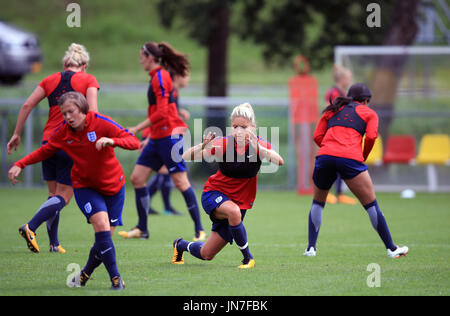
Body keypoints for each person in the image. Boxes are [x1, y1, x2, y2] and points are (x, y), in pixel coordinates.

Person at [8, 92, 140, 290]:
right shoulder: (63, 132)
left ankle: (84, 274)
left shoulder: (101, 122)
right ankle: (116, 278)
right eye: (64, 113)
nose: (68, 116)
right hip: (84, 186)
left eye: (71, 111)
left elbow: (134, 142)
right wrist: (21, 163)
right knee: (101, 226)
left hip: (114, 187)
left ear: (82, 109)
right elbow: (45, 150)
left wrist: (113, 141)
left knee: (103, 241)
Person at [7, 43, 99, 254]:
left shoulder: (49, 79)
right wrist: (94, 142)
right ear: (84, 65)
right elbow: (93, 113)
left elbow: (26, 105)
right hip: (71, 143)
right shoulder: (88, 79)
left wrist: (16, 133)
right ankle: (31, 226)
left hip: (49, 141)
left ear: (65, 64)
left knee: (53, 195)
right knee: (64, 197)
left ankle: (54, 244)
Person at [171, 103, 284, 269]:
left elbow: (279, 161)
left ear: (252, 127)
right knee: (233, 211)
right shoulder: (224, 143)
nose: (238, 130)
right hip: (214, 193)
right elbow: (186, 156)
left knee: (206, 254)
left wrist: (257, 148)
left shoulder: (260, 145)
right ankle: (248, 259)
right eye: (235, 126)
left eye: (243, 127)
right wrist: (203, 145)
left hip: (239, 201)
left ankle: (180, 245)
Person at [303, 83, 408, 258]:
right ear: (366, 101)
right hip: (350, 158)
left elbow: (317, 136)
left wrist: (330, 149)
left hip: (325, 157)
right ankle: (391, 248)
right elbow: (373, 136)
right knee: (371, 204)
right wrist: (361, 156)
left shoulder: (332, 109)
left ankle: (311, 249)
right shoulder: (369, 113)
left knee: (318, 202)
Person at [118, 42, 205, 241]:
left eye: (142, 56)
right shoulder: (157, 77)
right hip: (158, 137)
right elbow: (162, 113)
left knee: (180, 181)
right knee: (137, 178)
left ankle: (199, 229)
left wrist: (138, 129)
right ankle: (142, 228)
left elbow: (163, 112)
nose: (140, 60)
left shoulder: (160, 77)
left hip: (170, 136)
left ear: (150, 57)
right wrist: (149, 138)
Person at [143, 72, 191, 216]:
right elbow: (162, 114)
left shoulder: (174, 92)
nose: (188, 78)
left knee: (164, 172)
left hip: (162, 135)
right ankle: (160, 206)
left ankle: (160, 206)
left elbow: (170, 112)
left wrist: (179, 112)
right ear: (177, 76)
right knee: (164, 171)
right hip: (156, 135)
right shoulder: (170, 90)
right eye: (186, 75)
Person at [323, 65, 357, 205]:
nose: (349, 80)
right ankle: (326, 192)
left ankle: (340, 193)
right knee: (331, 163)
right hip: (333, 133)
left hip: (341, 133)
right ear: (342, 79)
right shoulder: (334, 93)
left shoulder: (342, 93)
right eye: (348, 78)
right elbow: (327, 113)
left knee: (340, 164)